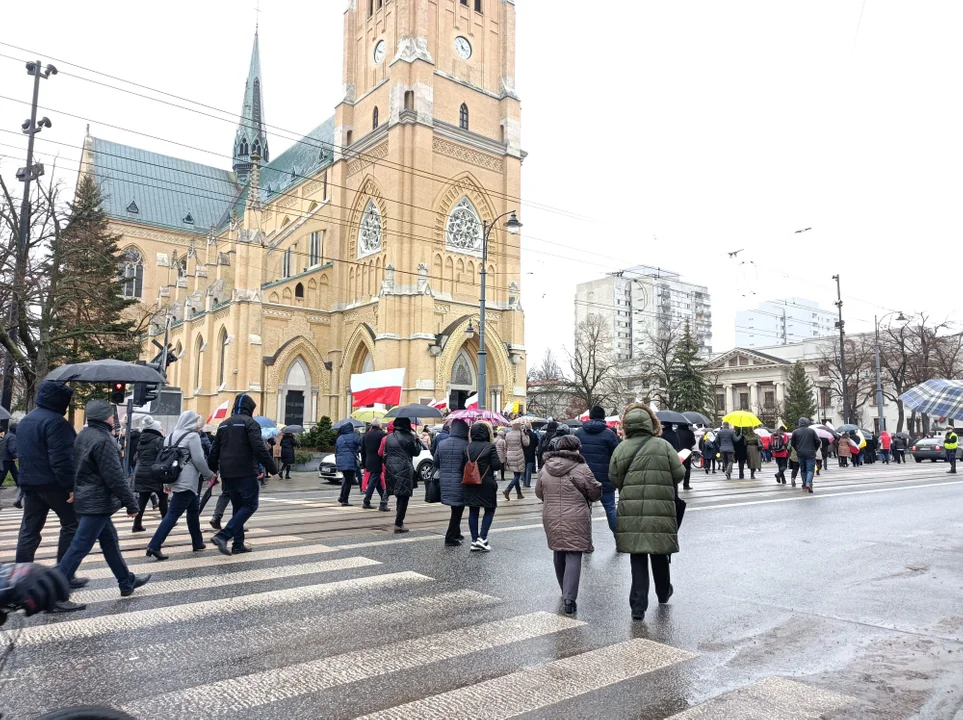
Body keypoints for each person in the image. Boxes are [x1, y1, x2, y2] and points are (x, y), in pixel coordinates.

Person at [56, 400, 150, 598]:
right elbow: (114, 477)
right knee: (79, 547)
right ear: (105, 417)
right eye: (112, 414)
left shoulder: (84, 435)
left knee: (110, 542)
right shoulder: (104, 440)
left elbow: (76, 467)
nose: (114, 418)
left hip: (88, 499)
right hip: (96, 502)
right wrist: (131, 503)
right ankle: (52, 590)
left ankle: (126, 581)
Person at [15, 381, 86, 612]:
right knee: (72, 525)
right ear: (60, 402)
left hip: (30, 483)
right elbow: (62, 459)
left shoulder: (26, 420)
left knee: (29, 532)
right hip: (54, 484)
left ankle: (20, 581)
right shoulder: (57, 423)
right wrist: (70, 487)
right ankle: (63, 577)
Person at [610, 404, 685, 621]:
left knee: (638, 557)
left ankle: (638, 607)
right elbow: (679, 474)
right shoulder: (663, 446)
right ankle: (663, 593)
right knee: (660, 553)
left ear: (626, 426)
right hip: (661, 508)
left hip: (631, 509)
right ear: (651, 423)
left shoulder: (620, 449)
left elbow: (614, 479)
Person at [535, 434, 602, 614]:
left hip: (551, 515)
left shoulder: (545, 468)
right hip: (577, 516)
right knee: (574, 553)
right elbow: (594, 492)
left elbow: (539, 493)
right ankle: (569, 599)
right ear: (576, 449)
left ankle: (564, 590)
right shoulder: (582, 467)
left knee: (559, 550)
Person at [207, 393, 278, 556]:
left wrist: (213, 469)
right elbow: (259, 448)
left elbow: (214, 449)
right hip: (245, 471)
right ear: (249, 408)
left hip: (227, 473)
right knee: (251, 505)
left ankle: (238, 544)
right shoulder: (250, 423)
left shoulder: (223, 425)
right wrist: (272, 468)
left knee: (238, 507)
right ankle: (223, 536)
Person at [146, 411, 212, 560]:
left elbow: (165, 460)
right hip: (187, 481)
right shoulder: (192, 436)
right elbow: (199, 460)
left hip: (173, 478)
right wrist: (209, 475)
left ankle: (198, 541)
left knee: (194, 510)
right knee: (173, 514)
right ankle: (154, 546)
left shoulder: (169, 436)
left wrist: (166, 482)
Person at [575, 405, 619, 533]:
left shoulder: (578, 433)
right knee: (610, 509)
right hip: (605, 479)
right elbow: (616, 456)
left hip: (584, 478)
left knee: (585, 512)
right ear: (603, 417)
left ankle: (585, 542)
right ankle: (619, 539)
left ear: (590, 417)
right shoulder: (609, 434)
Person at [464, 421, 502, 551]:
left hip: (470, 483)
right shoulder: (490, 447)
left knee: (473, 511)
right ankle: (483, 538)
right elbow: (496, 465)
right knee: (489, 509)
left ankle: (474, 540)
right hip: (486, 483)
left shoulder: (467, 447)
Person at [435, 419, 470, 546]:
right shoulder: (465, 444)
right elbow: (468, 464)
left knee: (455, 508)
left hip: (445, 481)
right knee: (458, 509)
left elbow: (436, 462)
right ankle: (450, 537)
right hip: (460, 481)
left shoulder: (442, 443)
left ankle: (456, 532)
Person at [383, 417, 420, 533]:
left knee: (399, 495)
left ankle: (399, 521)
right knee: (404, 497)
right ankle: (399, 524)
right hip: (404, 469)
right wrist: (417, 440)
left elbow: (385, 454)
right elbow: (416, 452)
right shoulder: (409, 437)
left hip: (391, 469)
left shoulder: (389, 437)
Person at [130, 416, 167, 533]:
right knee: (163, 496)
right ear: (156, 429)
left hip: (142, 472)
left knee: (143, 498)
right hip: (155, 473)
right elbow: (163, 457)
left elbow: (136, 457)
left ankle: (137, 524)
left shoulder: (142, 440)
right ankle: (166, 521)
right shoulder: (159, 440)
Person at [360, 419, 388, 510]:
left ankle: (383, 500)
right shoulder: (382, 435)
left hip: (368, 461)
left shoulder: (366, 435)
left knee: (377, 482)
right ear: (379, 425)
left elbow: (362, 451)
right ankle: (366, 501)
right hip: (378, 461)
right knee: (373, 481)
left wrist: (363, 463)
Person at [790, 417, 820, 493]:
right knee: (810, 469)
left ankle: (804, 485)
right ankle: (808, 483)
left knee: (803, 470)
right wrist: (814, 449)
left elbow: (792, 443)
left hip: (800, 453)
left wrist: (797, 449)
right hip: (810, 453)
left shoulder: (795, 432)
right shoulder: (811, 431)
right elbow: (818, 441)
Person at [335, 424, 362, 506]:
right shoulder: (354, 436)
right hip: (350, 461)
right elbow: (362, 444)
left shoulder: (340, 438)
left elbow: (336, 451)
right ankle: (345, 500)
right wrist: (357, 450)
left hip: (340, 461)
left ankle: (341, 497)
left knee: (346, 479)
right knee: (348, 481)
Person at [503, 420, 529, 500]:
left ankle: (519, 494)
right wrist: (527, 435)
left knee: (516, 475)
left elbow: (505, 445)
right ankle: (508, 489)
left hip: (510, 455)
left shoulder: (508, 434)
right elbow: (526, 444)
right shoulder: (520, 433)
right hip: (518, 455)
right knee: (518, 475)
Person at [3, 423, 21, 508]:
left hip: (6, 458)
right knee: (3, 473)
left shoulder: (8, 435)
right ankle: (19, 483)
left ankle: (19, 483)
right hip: (7, 458)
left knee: (14, 472)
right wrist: (16, 456)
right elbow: (12, 448)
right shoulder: (12, 437)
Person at [677, 422, 696, 490]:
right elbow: (693, 442)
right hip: (687, 452)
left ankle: (675, 484)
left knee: (676, 468)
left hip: (678, 453)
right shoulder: (690, 432)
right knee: (687, 468)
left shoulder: (676, 432)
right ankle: (686, 484)